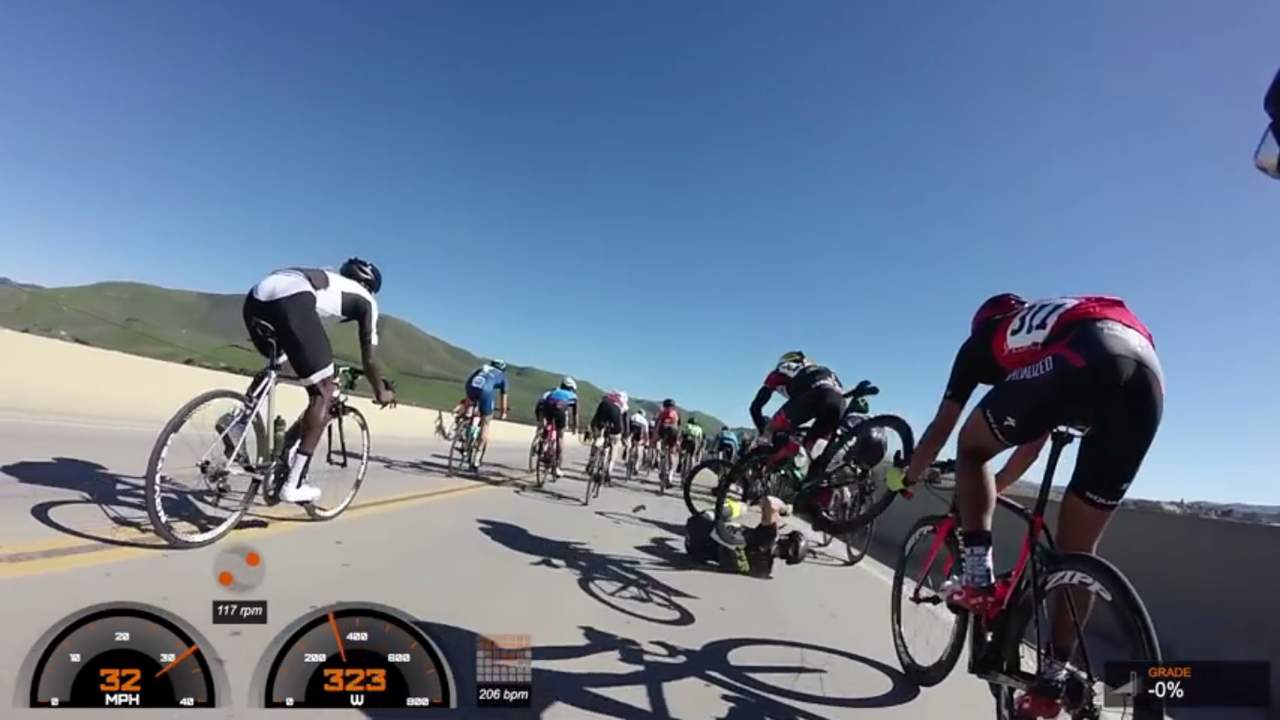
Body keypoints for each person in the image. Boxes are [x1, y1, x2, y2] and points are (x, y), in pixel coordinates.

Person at [905, 294, 1162, 701]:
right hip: (1146, 375)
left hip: (1087, 353)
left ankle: (977, 579)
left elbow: (943, 427)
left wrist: (908, 477)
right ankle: (1053, 677)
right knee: (1077, 549)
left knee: (971, 446)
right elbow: (1032, 439)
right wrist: (991, 487)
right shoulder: (1045, 329)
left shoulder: (983, 341)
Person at [242, 259, 394, 503]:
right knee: (324, 391)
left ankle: (238, 421)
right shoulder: (367, 301)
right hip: (294, 298)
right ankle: (293, 484)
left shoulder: (329, 279)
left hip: (257, 297)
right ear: (369, 287)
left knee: (279, 364)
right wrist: (381, 391)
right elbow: (370, 360)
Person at [747, 351, 847, 517]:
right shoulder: (823, 370)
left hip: (814, 397)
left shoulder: (781, 369)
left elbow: (756, 406)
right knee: (813, 455)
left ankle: (790, 452)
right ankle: (817, 503)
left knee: (773, 428)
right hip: (839, 402)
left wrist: (765, 433)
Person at [683, 497, 807, 578]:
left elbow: (770, 502)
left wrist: (785, 508)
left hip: (700, 526)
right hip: (696, 551)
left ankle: (718, 509)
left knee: (741, 508)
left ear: (787, 538)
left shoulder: (769, 536)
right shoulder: (764, 570)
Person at [464, 359, 509, 460]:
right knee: (486, 422)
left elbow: (470, 381)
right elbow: (504, 396)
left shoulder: (482, 368)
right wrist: (503, 412)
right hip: (485, 392)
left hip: (470, 387)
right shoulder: (502, 376)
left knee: (470, 409)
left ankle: (466, 425)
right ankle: (478, 455)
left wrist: (467, 404)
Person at [536, 377, 579, 478]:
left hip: (548, 405)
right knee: (560, 437)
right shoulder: (574, 396)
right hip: (560, 408)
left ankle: (542, 445)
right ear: (572, 389)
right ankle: (557, 467)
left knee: (548, 424)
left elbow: (543, 401)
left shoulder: (554, 391)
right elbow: (575, 414)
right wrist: (575, 427)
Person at [588, 389, 629, 478]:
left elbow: (596, 415)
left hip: (604, 406)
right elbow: (625, 423)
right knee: (614, 444)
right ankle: (609, 470)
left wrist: (593, 426)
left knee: (599, 436)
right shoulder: (624, 404)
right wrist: (625, 435)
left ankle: (591, 460)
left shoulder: (609, 396)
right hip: (616, 412)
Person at [653, 399, 681, 483]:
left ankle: (661, 461)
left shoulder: (662, 413)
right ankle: (670, 475)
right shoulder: (677, 413)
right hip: (673, 431)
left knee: (662, 446)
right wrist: (678, 440)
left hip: (663, 430)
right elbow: (678, 427)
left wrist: (654, 438)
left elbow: (657, 425)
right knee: (671, 452)